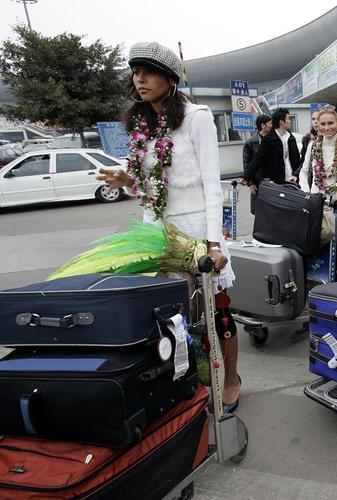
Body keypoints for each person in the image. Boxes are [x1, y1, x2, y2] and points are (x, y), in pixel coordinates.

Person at [96, 42, 241, 412]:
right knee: (172, 317)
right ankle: (189, 382)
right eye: (135, 72)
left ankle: (232, 378)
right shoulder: (141, 124)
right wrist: (126, 180)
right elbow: (151, 187)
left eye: (149, 72)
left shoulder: (197, 117)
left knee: (217, 312)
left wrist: (213, 244)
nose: (140, 79)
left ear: (171, 78)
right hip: (158, 232)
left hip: (198, 230)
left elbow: (212, 184)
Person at [299, 106, 337, 280]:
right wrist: (307, 194)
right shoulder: (313, 146)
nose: (327, 127)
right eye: (323, 124)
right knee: (314, 251)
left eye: (330, 123)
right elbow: (303, 172)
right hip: (316, 206)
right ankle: (317, 288)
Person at [246, 107, 301, 192]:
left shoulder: (291, 138)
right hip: (276, 183)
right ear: (281, 121)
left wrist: (296, 174)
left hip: (292, 180)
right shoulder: (269, 139)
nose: (290, 121)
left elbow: (297, 160)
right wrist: (246, 177)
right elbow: (257, 160)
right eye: (288, 119)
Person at [242, 114, 271, 214]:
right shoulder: (250, 143)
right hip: (258, 182)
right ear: (263, 125)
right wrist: (251, 183)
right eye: (270, 123)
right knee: (260, 212)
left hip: (272, 181)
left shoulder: (273, 140)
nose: (272, 125)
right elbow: (247, 165)